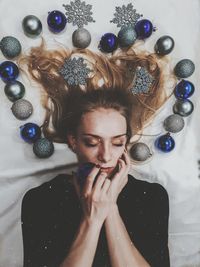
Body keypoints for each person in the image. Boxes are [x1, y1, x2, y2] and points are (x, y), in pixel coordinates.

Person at [20, 41, 171, 267]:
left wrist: (110, 208)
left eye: (118, 142)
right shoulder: (41, 200)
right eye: (92, 142)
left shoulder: (152, 197)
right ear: (73, 141)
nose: (106, 155)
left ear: (126, 143)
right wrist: (92, 219)